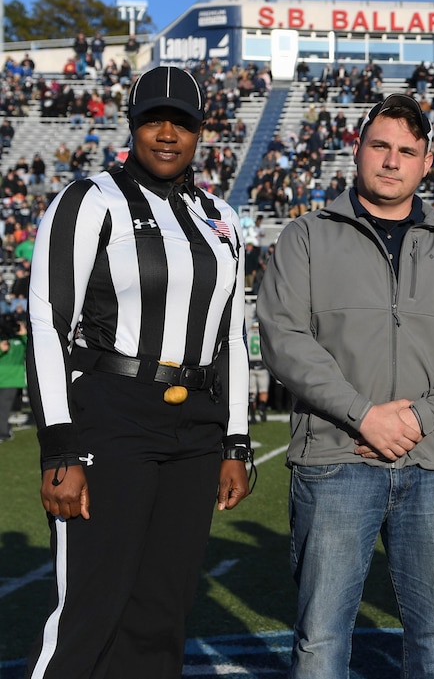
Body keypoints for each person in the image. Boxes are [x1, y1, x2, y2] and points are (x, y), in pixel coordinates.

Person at [256, 93, 434, 679]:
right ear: (357, 150)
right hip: (335, 458)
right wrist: (363, 415)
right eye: (381, 146)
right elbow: (283, 338)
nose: (392, 161)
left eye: (407, 152)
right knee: (321, 636)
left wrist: (420, 418)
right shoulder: (306, 237)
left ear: (426, 163)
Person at [24, 65, 252, 678]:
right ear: (133, 125)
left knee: (162, 613)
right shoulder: (89, 199)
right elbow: (47, 324)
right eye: (154, 119)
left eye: (182, 122)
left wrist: (236, 442)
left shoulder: (220, 216)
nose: (168, 134)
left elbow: (229, 334)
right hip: (112, 417)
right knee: (89, 610)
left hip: (196, 429)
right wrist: (58, 448)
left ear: (201, 132)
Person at [0, 312, 27, 442]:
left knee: (3, 408)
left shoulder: (21, 340)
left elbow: (32, 348)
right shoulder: (5, 340)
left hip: (11, 380)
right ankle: (4, 430)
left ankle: (3, 433)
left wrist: (25, 334)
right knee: (3, 408)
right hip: (6, 378)